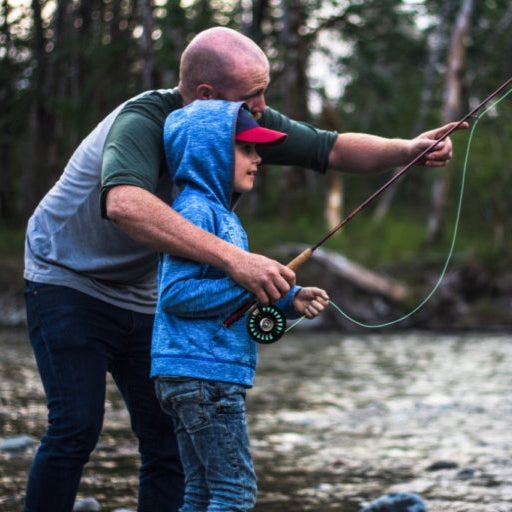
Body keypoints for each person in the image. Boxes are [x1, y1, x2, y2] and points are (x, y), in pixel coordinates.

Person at [23, 25, 466, 512]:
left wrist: (406, 149)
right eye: (253, 93)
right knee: (76, 428)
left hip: (147, 290)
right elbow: (125, 204)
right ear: (207, 94)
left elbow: (330, 148)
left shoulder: (237, 122)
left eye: (264, 91)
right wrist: (237, 262)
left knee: (166, 443)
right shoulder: (147, 121)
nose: (262, 105)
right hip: (66, 275)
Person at [152, 99, 330, 511]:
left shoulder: (223, 216)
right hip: (203, 374)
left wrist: (290, 298)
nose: (258, 159)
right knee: (236, 491)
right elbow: (175, 295)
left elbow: (234, 287)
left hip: (191, 372)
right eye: (246, 149)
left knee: (200, 491)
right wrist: (248, 285)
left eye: (258, 150)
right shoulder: (196, 211)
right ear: (211, 152)